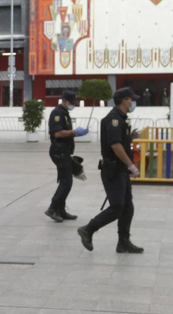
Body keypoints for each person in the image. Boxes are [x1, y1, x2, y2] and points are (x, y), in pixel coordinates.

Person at [77, 86, 143, 253]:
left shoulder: (121, 118)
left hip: (120, 169)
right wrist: (131, 166)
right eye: (131, 99)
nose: (133, 102)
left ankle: (123, 242)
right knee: (117, 207)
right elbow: (115, 145)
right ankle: (88, 229)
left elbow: (120, 141)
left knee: (127, 207)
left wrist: (131, 137)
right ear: (124, 101)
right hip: (113, 170)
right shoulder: (114, 119)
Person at [45, 90, 88, 222]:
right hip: (59, 151)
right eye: (71, 102)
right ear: (64, 100)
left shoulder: (64, 113)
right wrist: (74, 132)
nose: (73, 105)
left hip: (64, 151)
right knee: (66, 182)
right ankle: (52, 208)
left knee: (65, 180)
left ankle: (61, 210)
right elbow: (57, 133)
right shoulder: (57, 113)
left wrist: (76, 133)